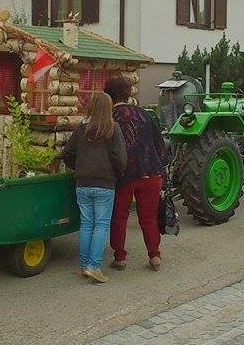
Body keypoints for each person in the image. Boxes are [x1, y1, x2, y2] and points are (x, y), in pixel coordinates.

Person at [60, 92, 126, 283]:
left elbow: (67, 153)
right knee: (101, 225)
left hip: (82, 182)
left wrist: (79, 167)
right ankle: (94, 266)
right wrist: (117, 173)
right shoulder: (113, 128)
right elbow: (120, 158)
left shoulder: (81, 128)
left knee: (87, 224)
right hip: (105, 183)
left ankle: (83, 265)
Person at [104, 76, 167, 271]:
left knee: (119, 217)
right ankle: (154, 255)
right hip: (150, 172)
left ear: (109, 94)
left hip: (123, 175)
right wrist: (162, 167)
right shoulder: (145, 114)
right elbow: (159, 144)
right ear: (129, 92)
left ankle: (120, 257)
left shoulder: (109, 117)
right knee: (148, 217)